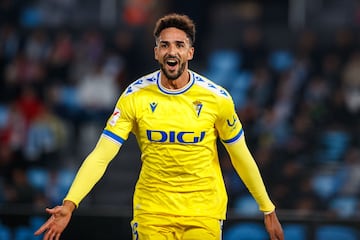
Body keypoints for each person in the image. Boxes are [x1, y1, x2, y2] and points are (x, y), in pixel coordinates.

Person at [34, 13, 284, 240]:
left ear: (190, 53)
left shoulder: (217, 99)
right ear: (156, 52)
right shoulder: (135, 96)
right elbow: (101, 155)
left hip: (203, 209)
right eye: (164, 45)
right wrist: (70, 203)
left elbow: (240, 156)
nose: (171, 51)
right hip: (152, 211)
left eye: (179, 45)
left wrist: (267, 208)